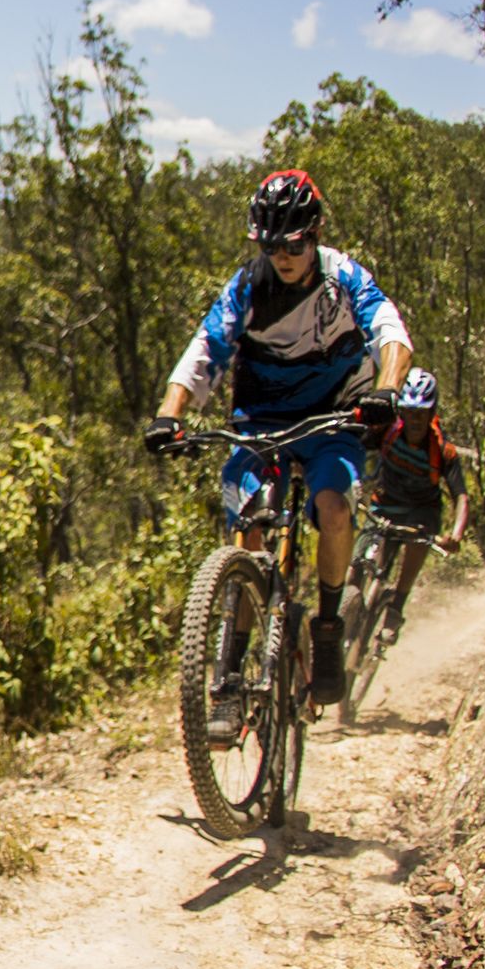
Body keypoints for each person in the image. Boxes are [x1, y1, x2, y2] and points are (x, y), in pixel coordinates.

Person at [143, 168, 415, 710]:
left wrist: (386, 390)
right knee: (248, 534)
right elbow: (206, 350)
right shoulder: (248, 286)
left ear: (313, 234)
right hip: (260, 424)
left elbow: (391, 332)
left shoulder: (344, 278)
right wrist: (168, 413)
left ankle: (330, 627)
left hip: (331, 419)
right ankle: (229, 668)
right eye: (270, 244)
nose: (282, 255)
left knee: (334, 509)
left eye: (292, 243)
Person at [364, 366, 470, 621]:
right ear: (401, 411)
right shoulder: (387, 431)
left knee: (418, 542)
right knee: (359, 565)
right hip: (384, 507)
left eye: (420, 414)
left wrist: (455, 535)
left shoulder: (443, 450)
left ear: (431, 414)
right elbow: (354, 447)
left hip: (420, 513)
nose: (414, 420)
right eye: (409, 412)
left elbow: (462, 497)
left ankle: (396, 608)